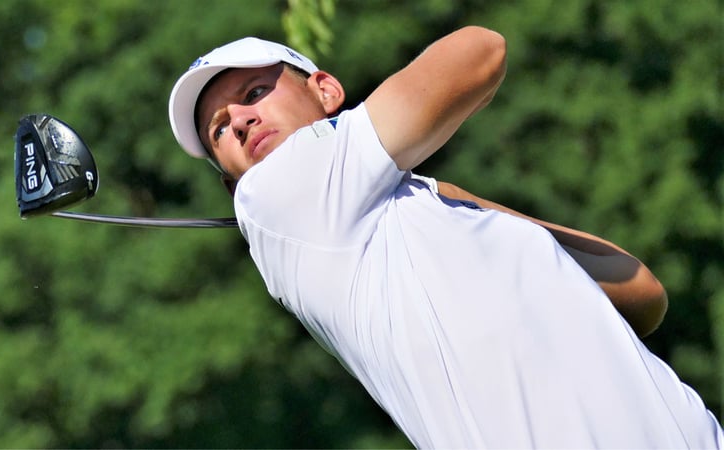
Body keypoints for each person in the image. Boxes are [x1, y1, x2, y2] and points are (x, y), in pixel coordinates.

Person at [168, 28, 723, 448]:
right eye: (219, 128)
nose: (239, 120)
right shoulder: (277, 190)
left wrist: (452, 197)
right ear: (230, 183)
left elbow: (639, 291)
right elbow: (480, 50)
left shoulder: (420, 204)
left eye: (256, 91)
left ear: (326, 89)